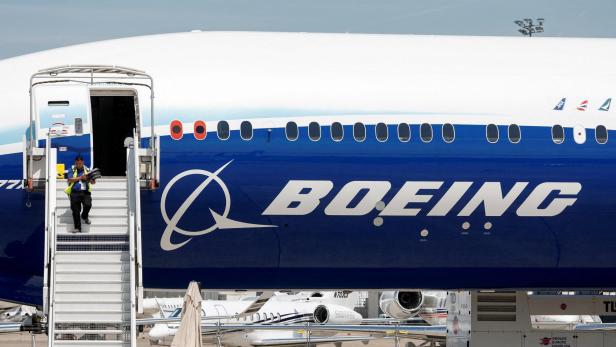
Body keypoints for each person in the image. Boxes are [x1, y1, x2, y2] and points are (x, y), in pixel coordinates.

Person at [64, 155, 96, 232]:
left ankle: (84, 216)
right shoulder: (71, 169)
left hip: (85, 192)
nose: (79, 165)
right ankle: (78, 228)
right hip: (75, 193)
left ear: (83, 162)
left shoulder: (88, 170)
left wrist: (92, 180)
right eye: (77, 163)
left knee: (88, 205)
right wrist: (81, 178)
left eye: (80, 163)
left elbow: (93, 182)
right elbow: (69, 179)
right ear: (75, 162)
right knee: (75, 211)